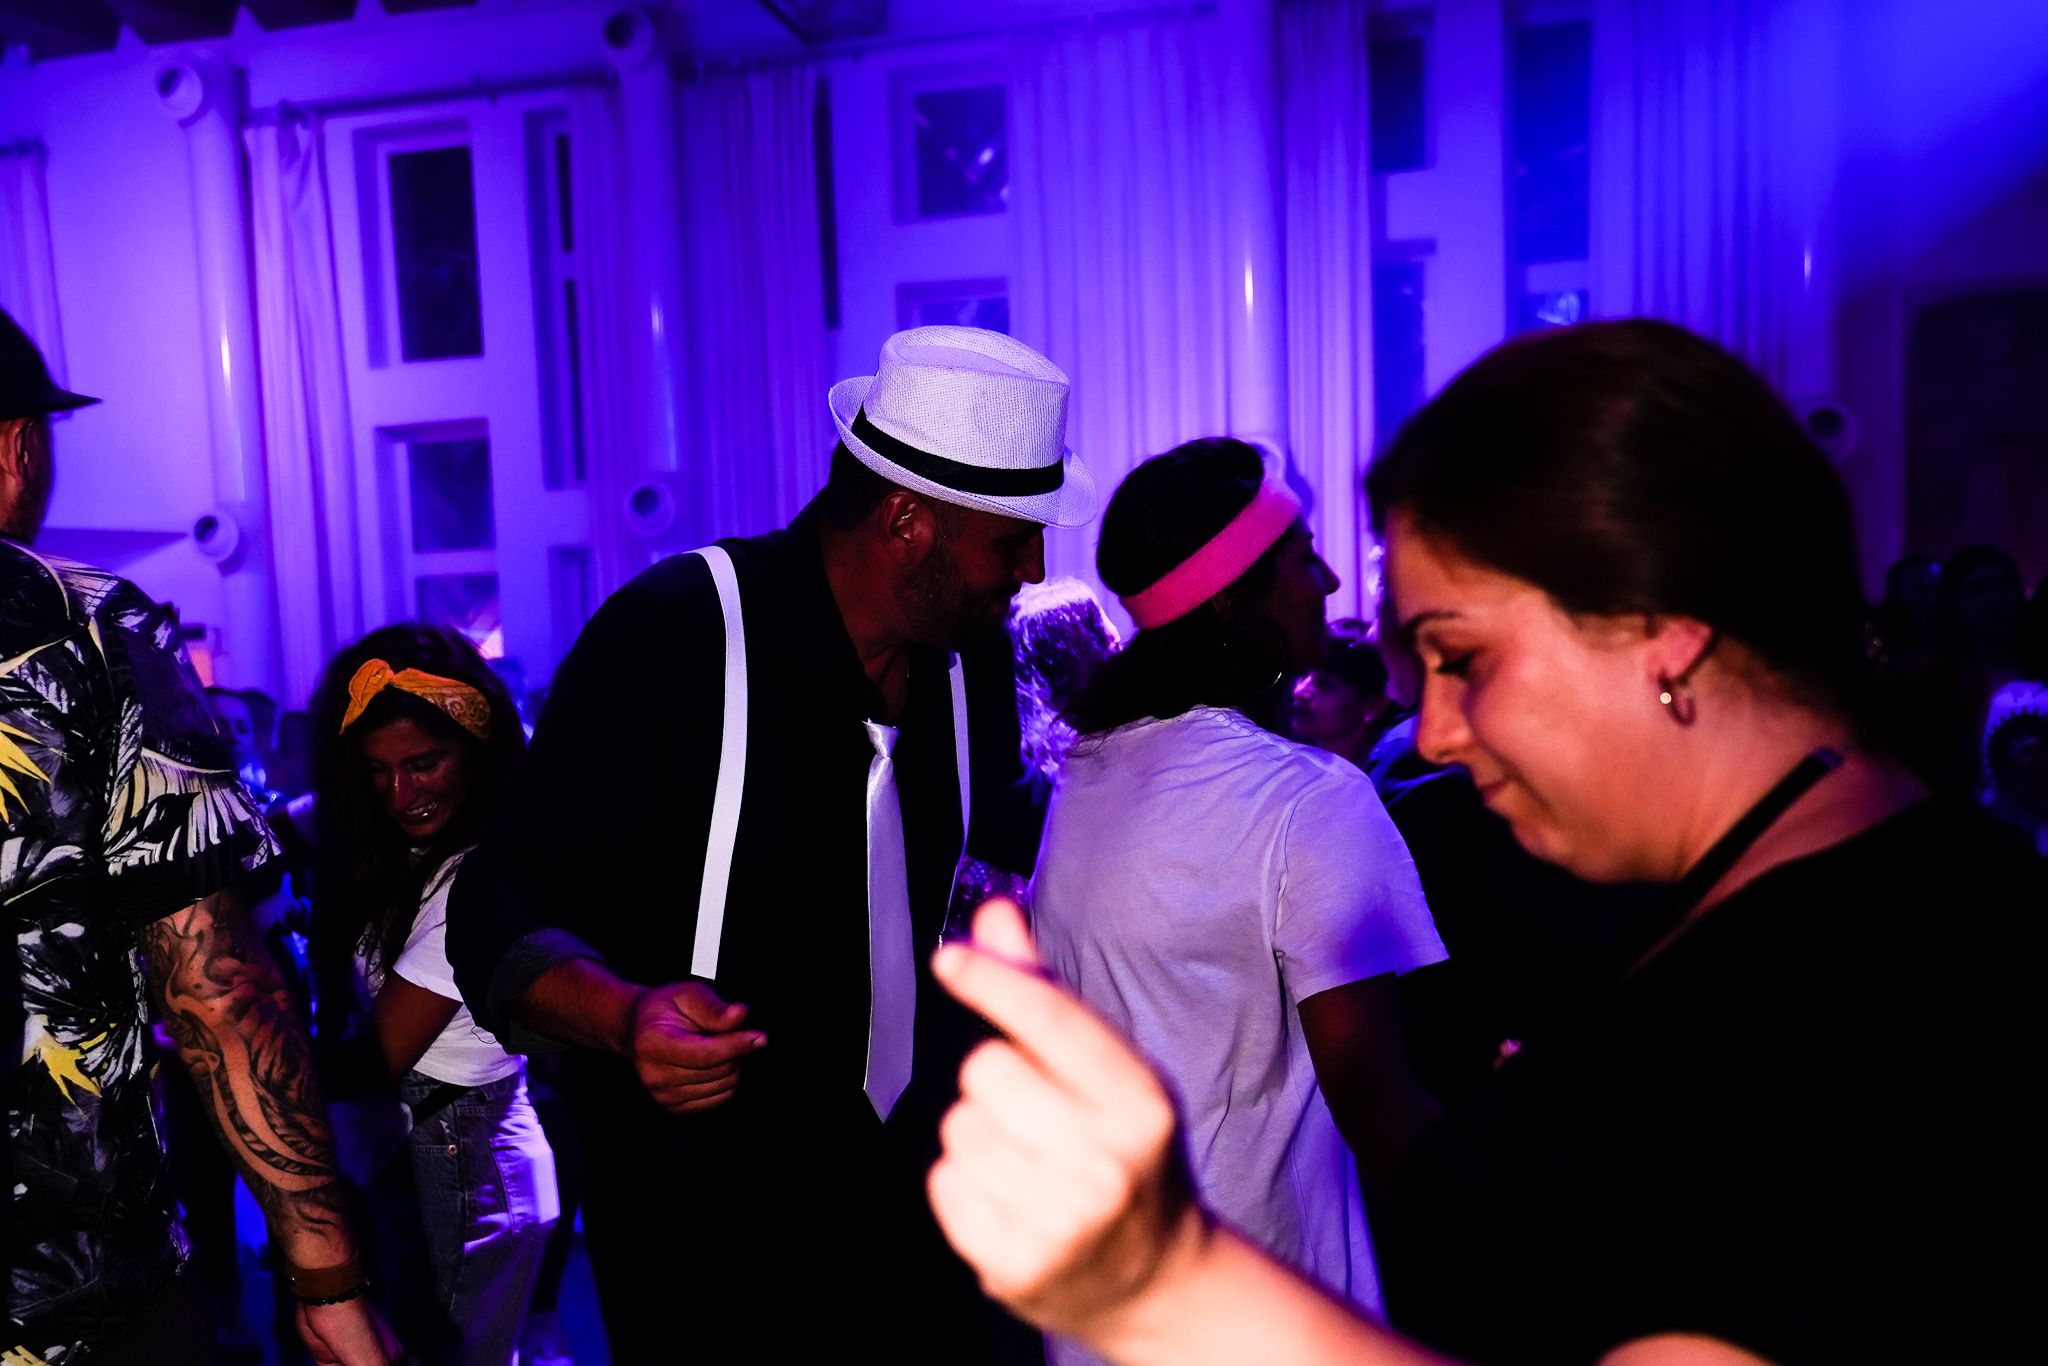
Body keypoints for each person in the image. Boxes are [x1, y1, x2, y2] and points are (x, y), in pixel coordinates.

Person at [924, 320, 2037, 1366]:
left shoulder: (1861, 972)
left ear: (1661, 634)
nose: (1436, 731)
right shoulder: (1811, 894)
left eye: (1461, 657)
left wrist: (1166, 1280)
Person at [447, 325, 1093, 1360]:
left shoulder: (969, 662)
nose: (1035, 567)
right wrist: (624, 1016)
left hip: (920, 1218)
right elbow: (496, 908)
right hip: (712, 1235)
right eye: (1013, 537)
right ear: (905, 523)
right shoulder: (678, 632)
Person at [1, 305, 397, 1363]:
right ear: (16, 447)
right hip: (78, 1303)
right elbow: (219, 991)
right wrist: (329, 1282)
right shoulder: (88, 635)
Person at [1029, 439, 1444, 1360]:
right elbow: (1376, 1101)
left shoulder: (1088, 772)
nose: (1329, 581)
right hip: (1257, 1306)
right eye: (1303, 558)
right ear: (1231, 596)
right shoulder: (1306, 801)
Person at [311, 625, 559, 1365]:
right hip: (448, 1147)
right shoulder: (417, 854)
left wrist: (232, 1040)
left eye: (423, 764)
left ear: (477, 753)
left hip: (465, 1155)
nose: (401, 792)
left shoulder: (474, 881)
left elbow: (376, 1058)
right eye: (378, 770)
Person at [1290, 618, 1404, 768]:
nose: (1299, 692)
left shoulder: (1389, 774)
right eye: (1303, 675)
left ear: (1373, 707)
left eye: (1324, 684)